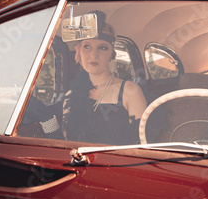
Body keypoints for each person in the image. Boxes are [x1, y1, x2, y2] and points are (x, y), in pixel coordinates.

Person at [62, 11, 147, 144]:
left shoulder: (130, 91)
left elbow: (142, 141)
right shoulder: (71, 95)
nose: (93, 55)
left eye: (102, 48)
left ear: (111, 54)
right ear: (78, 51)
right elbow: (69, 141)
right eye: (87, 47)